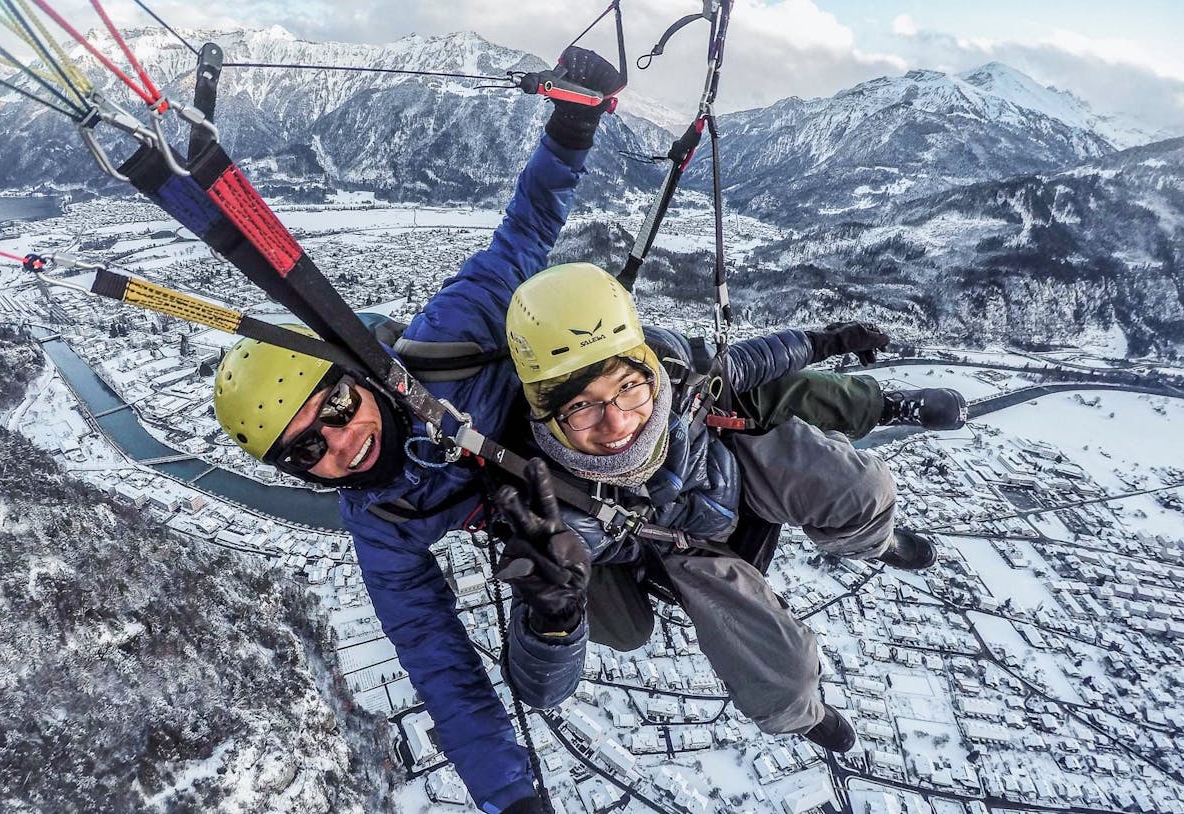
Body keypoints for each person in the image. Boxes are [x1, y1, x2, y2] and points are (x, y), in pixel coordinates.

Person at [211, 47, 626, 814]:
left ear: (357, 375)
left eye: (334, 408)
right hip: (566, 527)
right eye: (308, 449)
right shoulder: (382, 525)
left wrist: (572, 130)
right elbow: (439, 664)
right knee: (596, 635)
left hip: (612, 430)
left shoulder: (447, 340)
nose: (339, 442)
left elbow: (524, 236)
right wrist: (510, 798)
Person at [494, 262, 967, 752]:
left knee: (862, 489)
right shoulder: (559, 507)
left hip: (727, 471)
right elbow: (542, 689)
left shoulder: (675, 370)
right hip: (679, 546)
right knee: (784, 673)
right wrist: (554, 619)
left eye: (627, 388)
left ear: (646, 368)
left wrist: (825, 341)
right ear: (548, 416)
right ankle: (802, 715)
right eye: (580, 407)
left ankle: (876, 539)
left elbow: (750, 362)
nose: (617, 422)